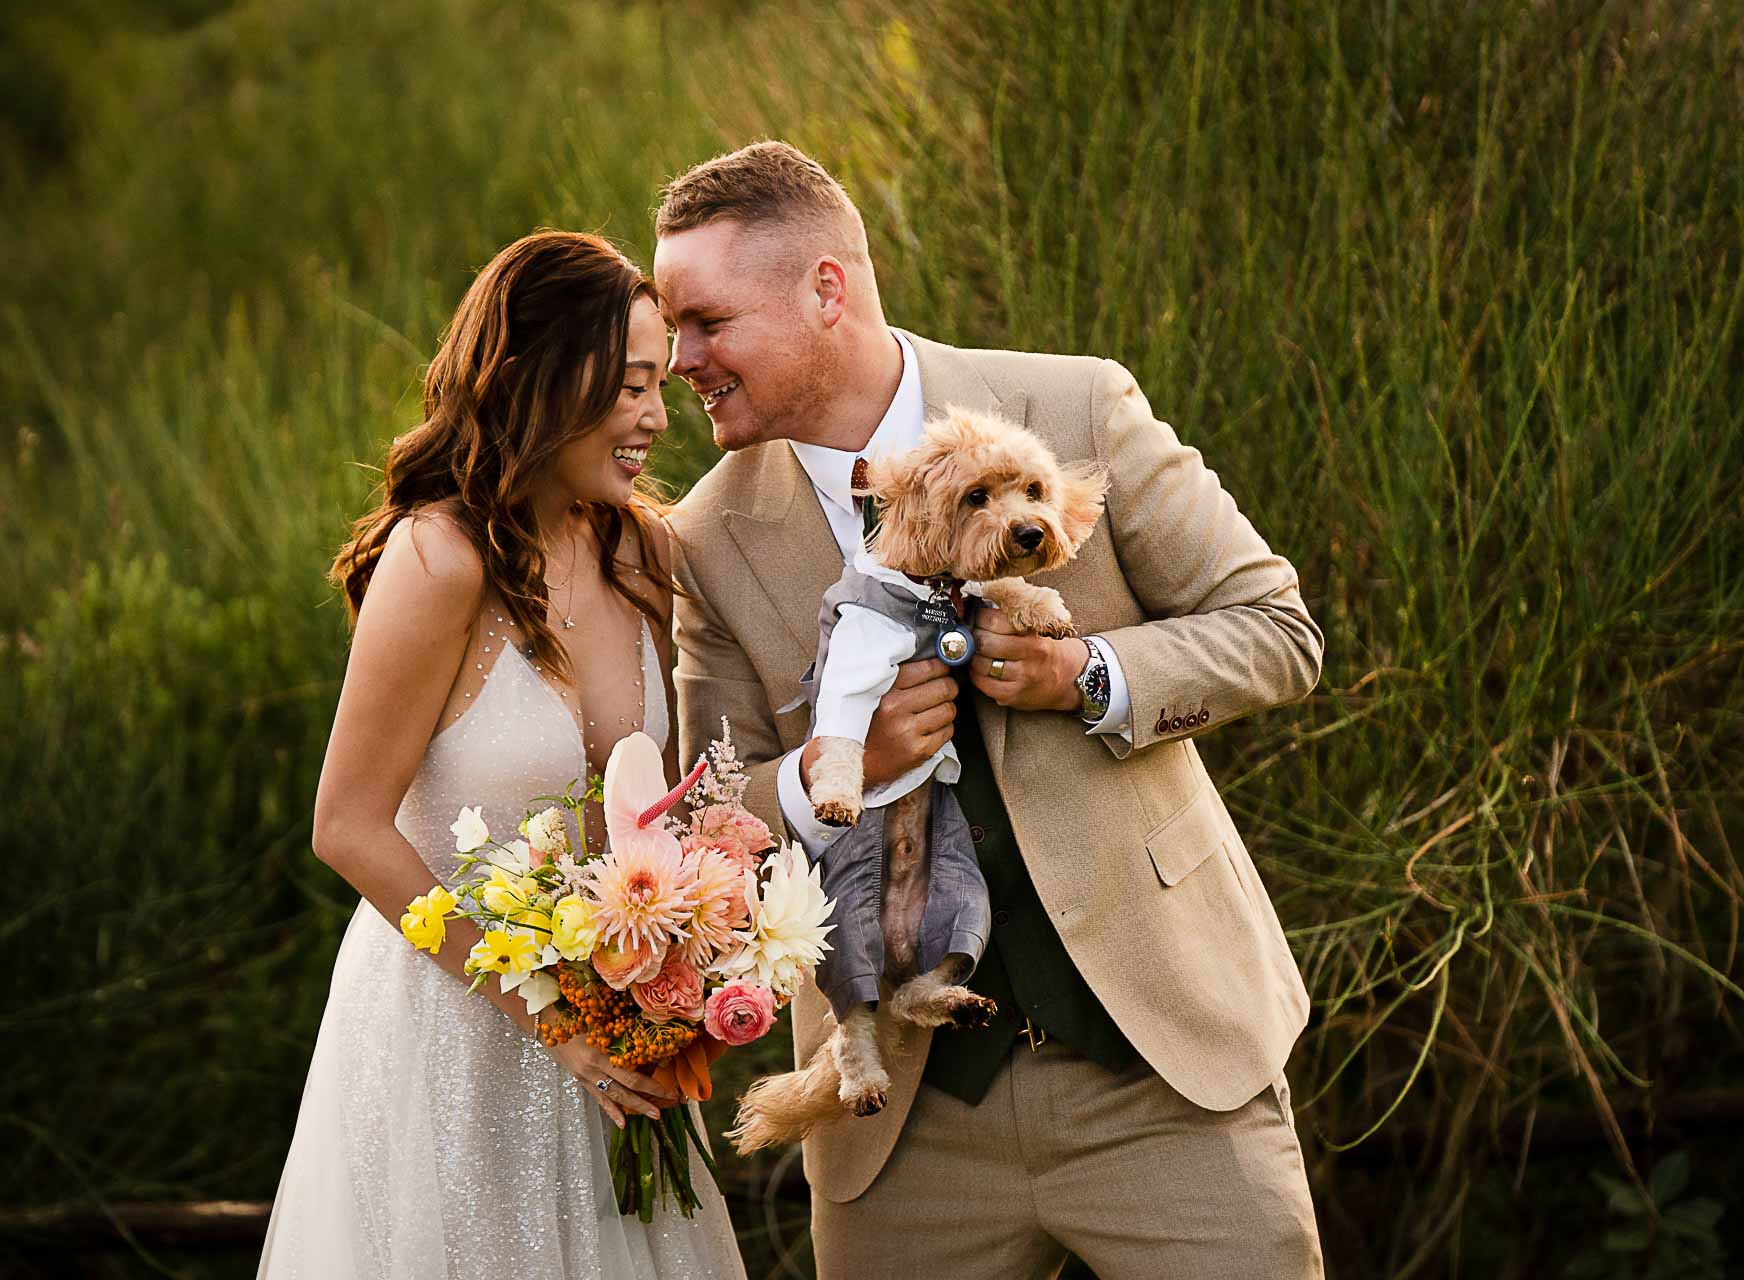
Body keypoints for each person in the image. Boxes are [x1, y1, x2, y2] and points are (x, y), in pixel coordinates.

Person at [658, 141, 1326, 1278]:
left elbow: (1276, 628)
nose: (682, 360)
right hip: (902, 1128)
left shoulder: (1075, 404)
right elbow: (703, 818)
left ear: (826, 290)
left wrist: (1086, 675)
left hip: (1167, 1067)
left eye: (707, 322)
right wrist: (839, 764)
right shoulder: (705, 539)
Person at [259, 231, 745, 1279]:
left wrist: (692, 949)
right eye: (631, 386)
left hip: (618, 1046)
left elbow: (663, 804)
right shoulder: (438, 560)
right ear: (542, 377)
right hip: (453, 1045)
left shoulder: (642, 552)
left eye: (659, 386)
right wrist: (554, 1022)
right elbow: (346, 826)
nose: (658, 417)